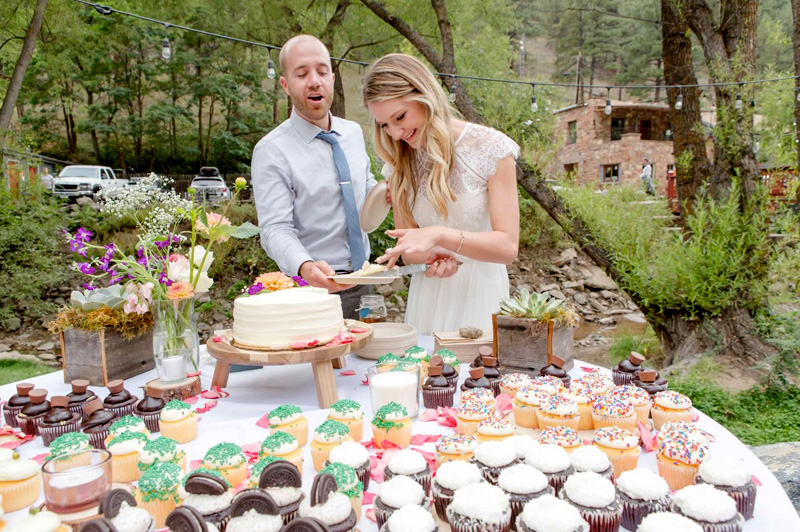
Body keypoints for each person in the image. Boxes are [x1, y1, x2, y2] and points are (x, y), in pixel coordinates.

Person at [362, 53, 520, 335]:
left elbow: (507, 247)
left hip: (481, 293)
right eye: (385, 124)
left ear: (426, 96)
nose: (396, 133)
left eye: (400, 116)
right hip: (429, 294)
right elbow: (408, 249)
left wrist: (440, 236)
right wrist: (432, 257)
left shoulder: (491, 148)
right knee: (427, 375)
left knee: (480, 377)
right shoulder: (399, 162)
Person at [251, 35, 376, 320]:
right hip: (310, 292)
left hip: (366, 282)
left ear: (332, 78)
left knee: (367, 363)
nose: (314, 81)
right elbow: (274, 229)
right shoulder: (271, 150)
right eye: (302, 73)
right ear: (285, 85)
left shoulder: (354, 134)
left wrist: (386, 193)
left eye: (321, 71)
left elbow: (365, 190)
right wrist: (305, 265)